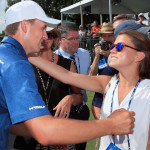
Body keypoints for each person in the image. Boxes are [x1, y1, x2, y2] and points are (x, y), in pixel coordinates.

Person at [0, 1, 135, 150]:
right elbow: (44, 132)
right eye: (44, 28)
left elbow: (66, 75)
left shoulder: (8, 56)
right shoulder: (16, 63)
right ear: (25, 26)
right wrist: (111, 124)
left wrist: (55, 132)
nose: (45, 36)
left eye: (120, 46)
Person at [29, 30, 150, 150]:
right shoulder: (108, 83)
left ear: (139, 56)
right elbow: (67, 76)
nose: (112, 50)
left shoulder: (147, 92)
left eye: (119, 46)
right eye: (113, 45)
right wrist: (27, 54)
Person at [12, 28, 82, 150]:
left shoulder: (67, 64)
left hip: (61, 135)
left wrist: (69, 98)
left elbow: (79, 96)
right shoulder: (22, 63)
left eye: (49, 34)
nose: (45, 37)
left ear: (54, 37)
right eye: (40, 33)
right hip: (31, 136)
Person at [54, 23, 91, 150]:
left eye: (77, 38)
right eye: (71, 39)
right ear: (60, 40)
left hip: (82, 110)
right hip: (63, 114)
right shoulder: (53, 60)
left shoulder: (85, 54)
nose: (76, 42)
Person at [89, 22, 115, 120]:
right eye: (104, 36)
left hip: (116, 96)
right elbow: (91, 76)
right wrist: (97, 56)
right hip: (100, 98)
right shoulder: (99, 50)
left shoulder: (120, 51)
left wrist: (110, 55)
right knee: (103, 131)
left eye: (110, 35)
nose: (107, 39)